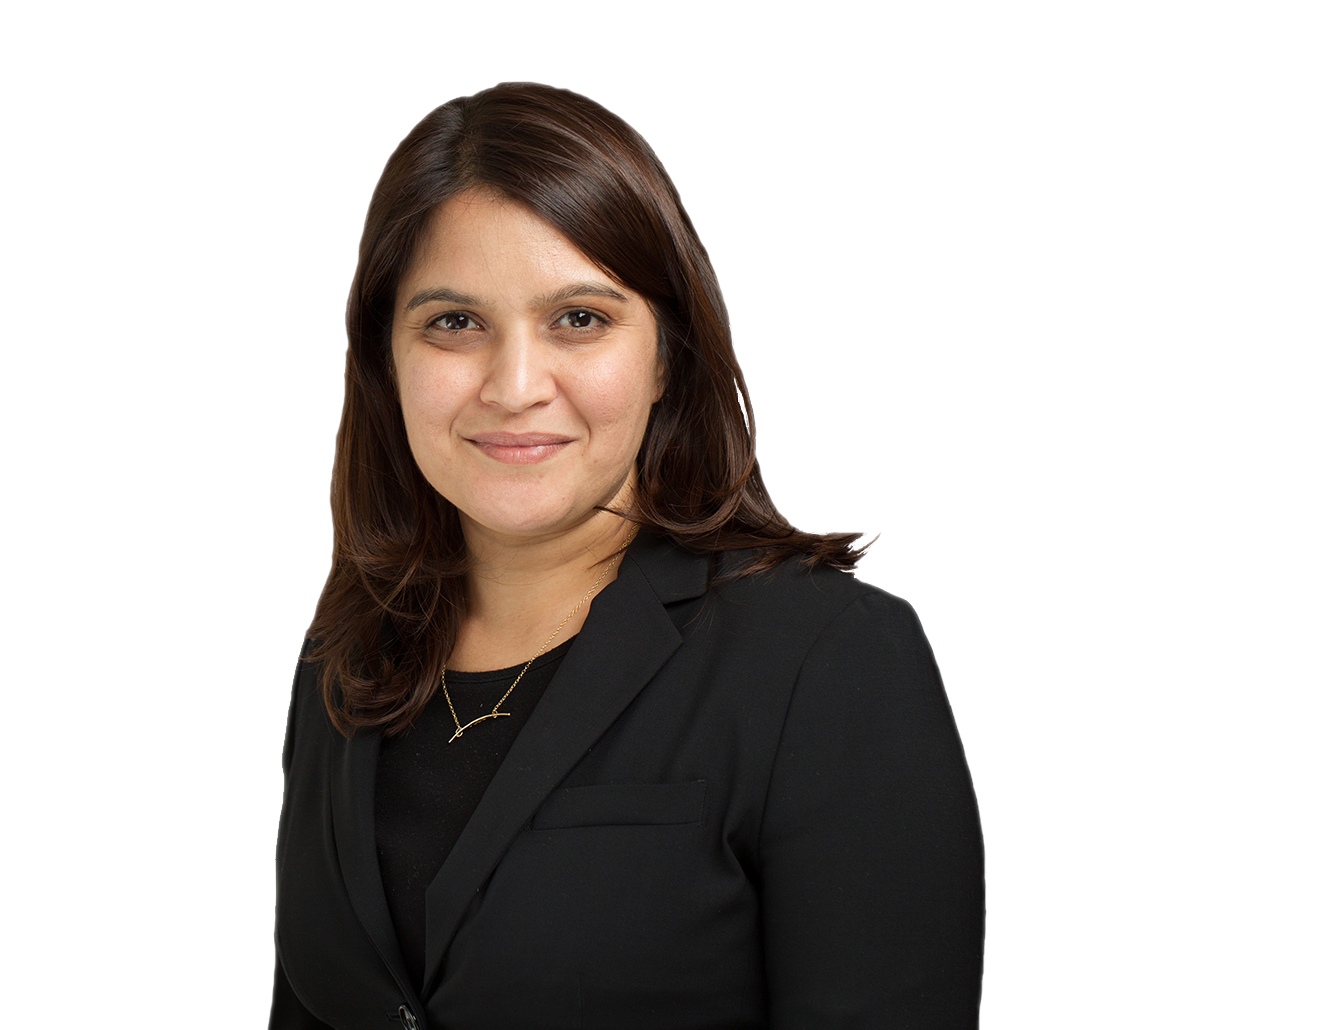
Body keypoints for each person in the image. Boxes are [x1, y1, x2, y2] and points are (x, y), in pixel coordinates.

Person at [270, 81, 985, 1030]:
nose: (514, 387)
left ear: (667, 358)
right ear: (384, 359)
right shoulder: (343, 654)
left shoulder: (828, 656)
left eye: (579, 319)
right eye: (454, 323)